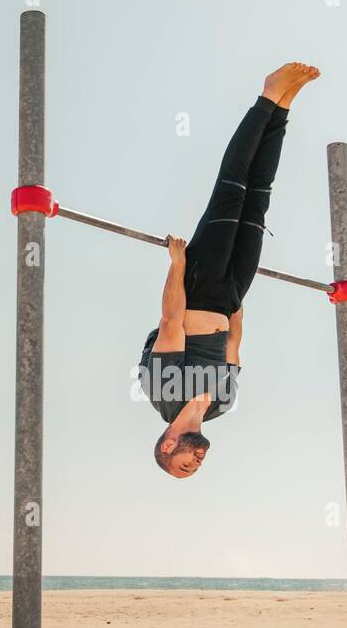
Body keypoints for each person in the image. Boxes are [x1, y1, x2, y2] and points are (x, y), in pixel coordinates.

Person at [136, 62, 319, 478]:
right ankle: (283, 108)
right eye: (195, 467)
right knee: (258, 201)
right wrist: (236, 309)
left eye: (184, 464)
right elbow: (234, 349)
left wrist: (178, 266)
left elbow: (170, 324)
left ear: (168, 444)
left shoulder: (163, 395)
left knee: (232, 190)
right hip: (231, 295)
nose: (197, 461)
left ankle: (268, 97)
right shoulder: (220, 407)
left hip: (198, 287)